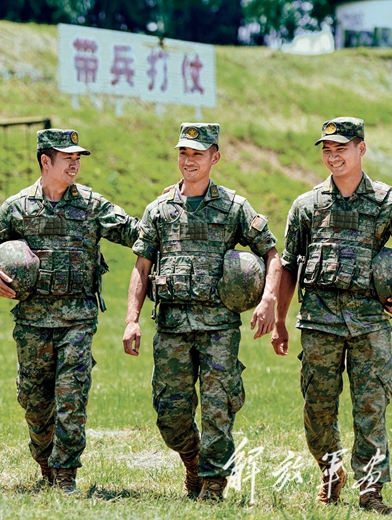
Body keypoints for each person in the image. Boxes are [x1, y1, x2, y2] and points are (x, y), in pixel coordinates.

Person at [271, 117, 392, 514]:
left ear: (361, 149)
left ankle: (371, 492)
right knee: (318, 409)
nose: (333, 156)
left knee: (371, 408)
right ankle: (330, 473)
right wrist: (279, 320)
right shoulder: (307, 206)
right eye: (327, 149)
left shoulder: (386, 203)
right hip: (318, 324)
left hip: (370, 325)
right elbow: (289, 265)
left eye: (341, 148)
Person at [122, 123, 281, 501]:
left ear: (215, 157)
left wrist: (268, 300)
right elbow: (142, 267)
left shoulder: (233, 208)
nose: (189, 160)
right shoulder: (159, 210)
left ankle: (213, 483)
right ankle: (192, 460)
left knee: (217, 409)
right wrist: (131, 319)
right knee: (170, 415)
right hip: (172, 328)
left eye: (197, 154)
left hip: (219, 329)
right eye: (184, 153)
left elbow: (272, 253)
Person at [0, 129, 138, 494]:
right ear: (45, 161)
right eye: (68, 158)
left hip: (78, 320)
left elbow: (136, 233)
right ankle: (44, 459)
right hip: (32, 321)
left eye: (78, 158)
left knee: (71, 396)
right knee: (33, 400)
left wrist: (166, 209)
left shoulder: (92, 205)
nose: (75, 164)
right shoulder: (18, 207)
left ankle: (66, 474)